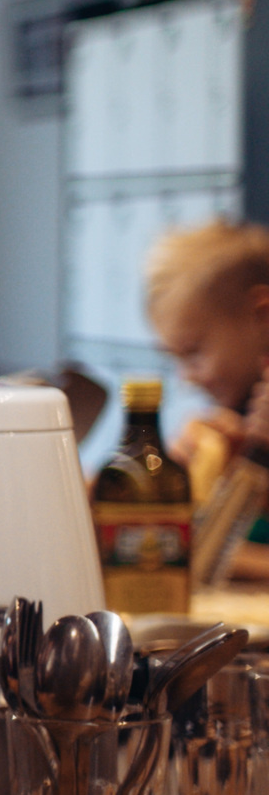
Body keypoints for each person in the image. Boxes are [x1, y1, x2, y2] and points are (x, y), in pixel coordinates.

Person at [147, 218, 269, 579]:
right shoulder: (236, 417)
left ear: (262, 315)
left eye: (193, 352)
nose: (186, 377)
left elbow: (204, 557)